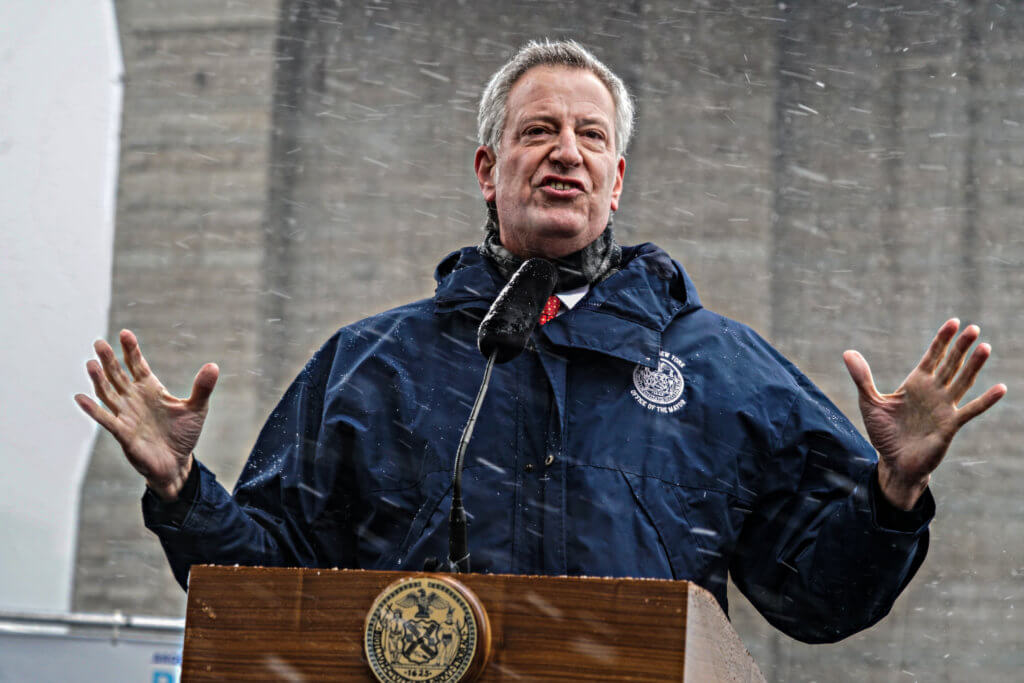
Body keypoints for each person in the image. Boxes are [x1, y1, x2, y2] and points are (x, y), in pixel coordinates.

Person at [76, 40, 1006, 644]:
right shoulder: (372, 365)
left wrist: (893, 491)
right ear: (489, 169)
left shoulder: (721, 369)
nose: (566, 150)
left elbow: (821, 600)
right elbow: (268, 590)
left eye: (590, 135)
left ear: (616, 176)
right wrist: (182, 490)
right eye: (538, 131)